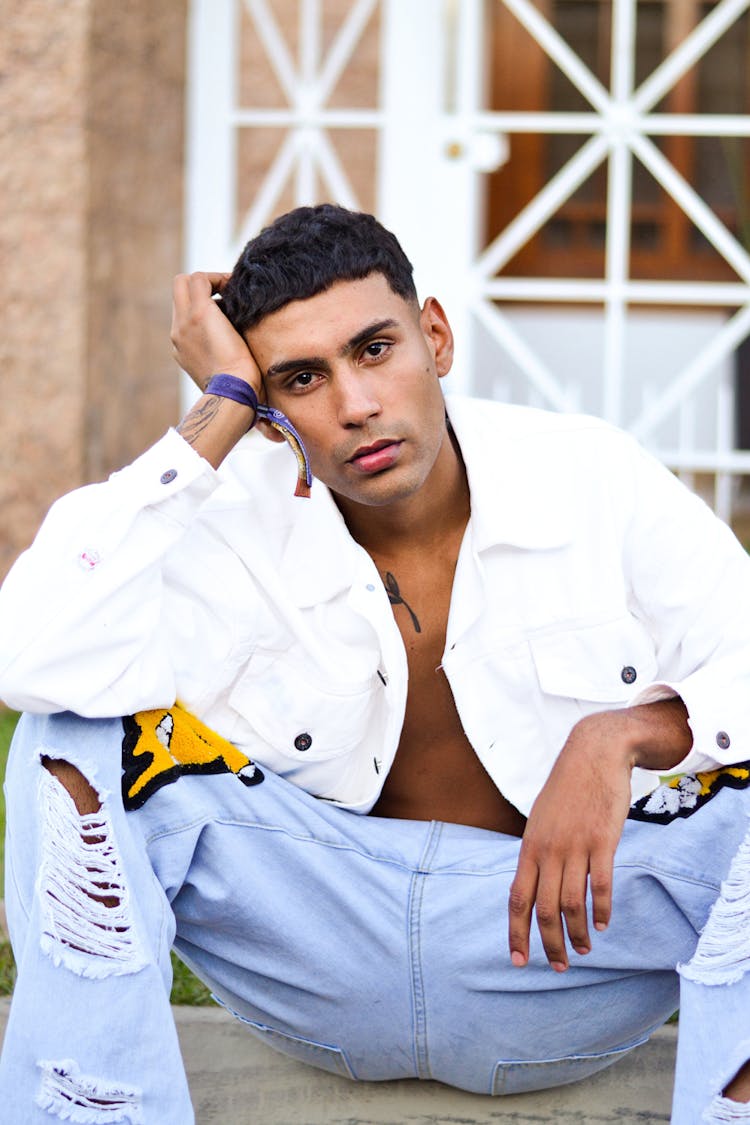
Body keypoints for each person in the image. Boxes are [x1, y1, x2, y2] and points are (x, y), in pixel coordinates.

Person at [0, 203, 749, 1124]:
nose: (355, 405)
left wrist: (623, 734)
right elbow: (31, 656)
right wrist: (216, 415)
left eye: (375, 349)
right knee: (66, 735)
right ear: (271, 415)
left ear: (434, 336)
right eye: (301, 379)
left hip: (564, 954)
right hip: (319, 945)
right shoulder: (227, 520)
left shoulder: (588, 473)